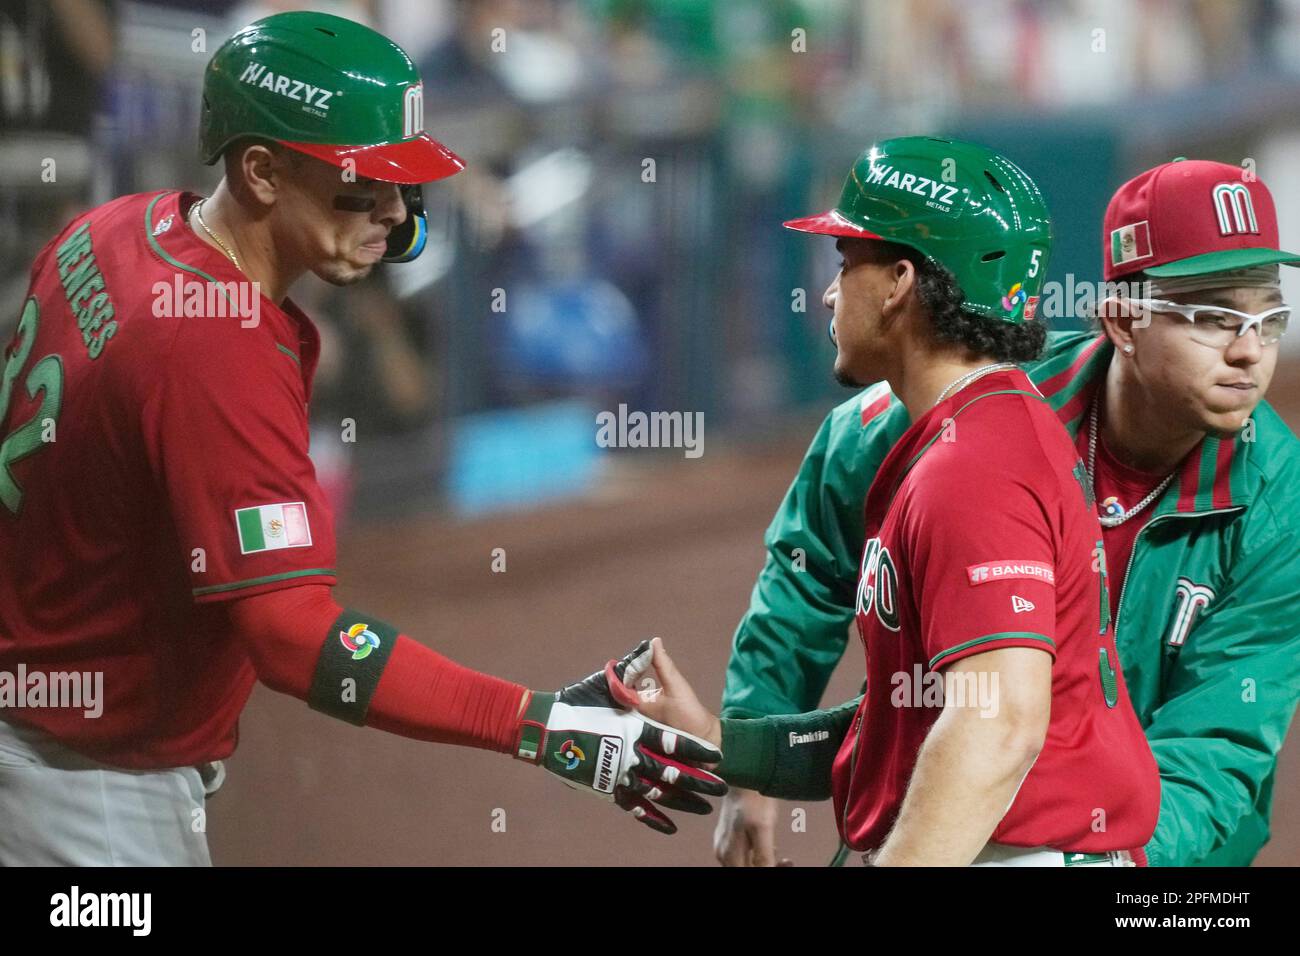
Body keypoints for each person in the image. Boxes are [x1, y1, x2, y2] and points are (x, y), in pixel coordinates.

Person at [0, 11, 723, 866]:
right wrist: (540, 727)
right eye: (362, 183)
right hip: (89, 794)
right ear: (262, 172)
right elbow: (293, 635)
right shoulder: (215, 347)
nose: (394, 211)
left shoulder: (117, 227)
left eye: (401, 181)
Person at [712, 156, 1300, 866]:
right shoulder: (977, 400)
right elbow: (812, 555)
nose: (1249, 352)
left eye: (1268, 319)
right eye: (1211, 317)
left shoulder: (1277, 497)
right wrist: (753, 756)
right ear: (1121, 320)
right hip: (952, 819)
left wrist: (1113, 861)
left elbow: (1219, 738)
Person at [629, 136, 1161, 866]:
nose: (827, 291)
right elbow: (912, 715)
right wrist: (727, 745)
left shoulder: (976, 466)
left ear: (899, 283)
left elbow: (997, 724)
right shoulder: (981, 433)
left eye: (846, 266)